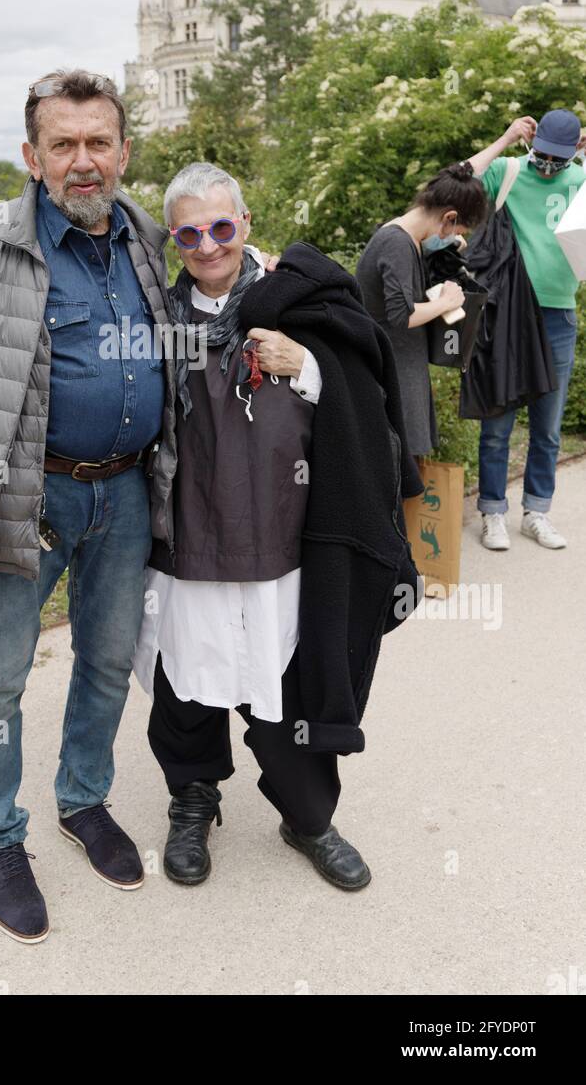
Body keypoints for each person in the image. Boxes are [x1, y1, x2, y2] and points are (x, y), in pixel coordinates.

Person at [0, 69, 177, 944]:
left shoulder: (141, 234)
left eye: (100, 142)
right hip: (24, 498)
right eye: (64, 144)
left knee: (105, 663)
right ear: (32, 156)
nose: (84, 161)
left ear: (124, 152)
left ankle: (84, 800)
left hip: (127, 490)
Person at [134, 162, 422, 892]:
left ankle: (308, 818)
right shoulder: (155, 319)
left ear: (246, 225)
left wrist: (312, 367)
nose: (208, 245)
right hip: (188, 541)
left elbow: (370, 387)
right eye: (191, 232)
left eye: (222, 227)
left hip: (287, 543)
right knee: (187, 685)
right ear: (175, 238)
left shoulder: (302, 303)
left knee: (287, 688)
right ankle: (192, 798)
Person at [465, 110, 585, 551]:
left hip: (557, 315)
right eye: (543, 155)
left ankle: (537, 511)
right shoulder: (509, 170)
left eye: (559, 158)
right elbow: (459, 179)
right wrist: (506, 137)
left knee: (547, 426)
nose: (548, 165)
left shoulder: (580, 178)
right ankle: (493, 512)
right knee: (497, 421)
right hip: (505, 313)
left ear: (573, 150)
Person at [355, 162, 489, 461]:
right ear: (449, 217)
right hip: (393, 371)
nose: (455, 234)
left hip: (403, 366)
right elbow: (402, 315)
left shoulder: (408, 239)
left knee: (407, 466)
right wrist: (446, 303)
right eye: (458, 228)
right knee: (400, 469)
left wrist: (444, 249)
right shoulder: (397, 244)